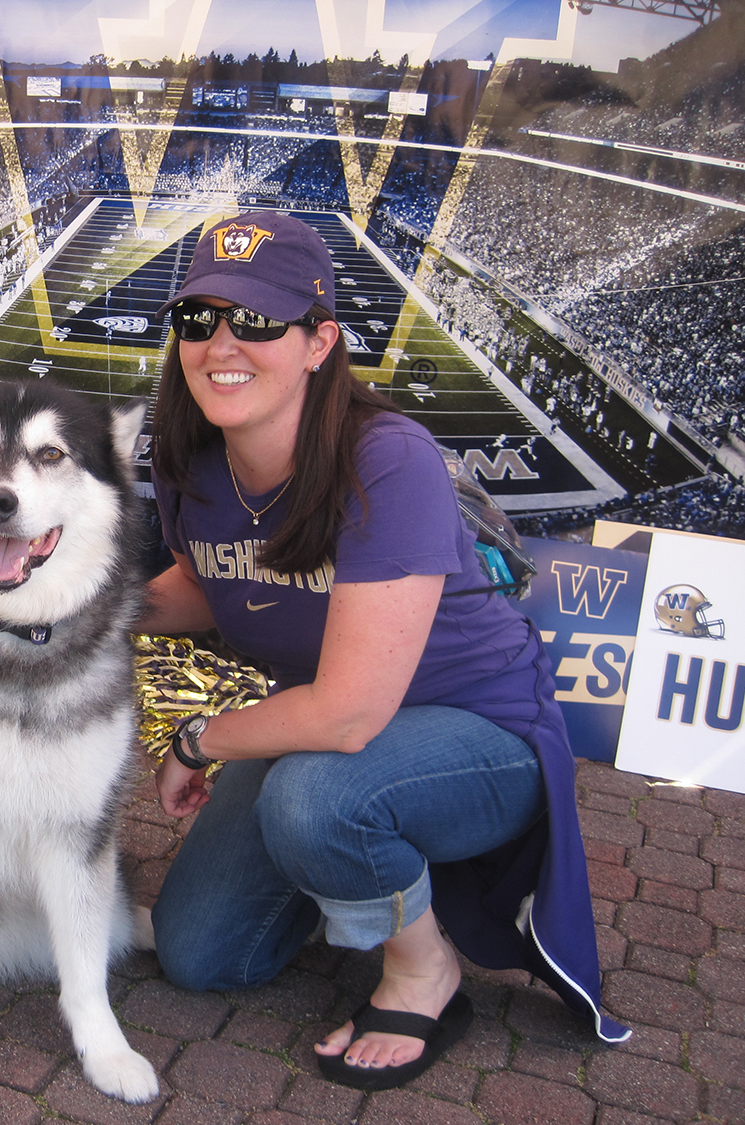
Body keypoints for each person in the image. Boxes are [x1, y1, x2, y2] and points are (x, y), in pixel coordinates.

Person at [140, 212, 627, 1089]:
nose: (222, 344)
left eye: (255, 321)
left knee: (315, 798)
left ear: (320, 339)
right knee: (200, 951)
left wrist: (196, 739)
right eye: (198, 318)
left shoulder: (386, 458)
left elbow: (348, 711)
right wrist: (81, 608)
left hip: (481, 735)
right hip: (336, 733)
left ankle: (423, 965)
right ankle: (361, 866)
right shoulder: (192, 459)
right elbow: (200, 582)